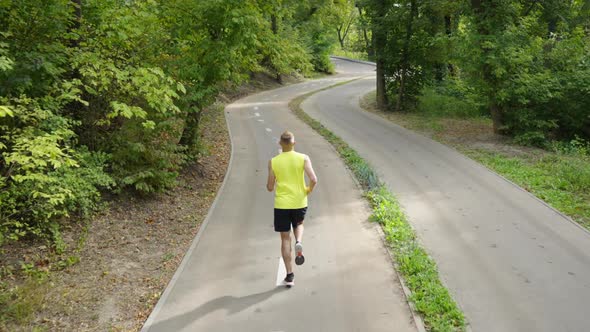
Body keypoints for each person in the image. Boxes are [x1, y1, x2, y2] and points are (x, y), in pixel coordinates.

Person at [267, 131, 317, 287]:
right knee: (299, 224)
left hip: (282, 205)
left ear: (280, 144)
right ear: (294, 143)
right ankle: (299, 241)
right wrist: (308, 190)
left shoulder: (273, 161)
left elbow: (269, 187)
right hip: (299, 201)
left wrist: (273, 184)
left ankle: (289, 275)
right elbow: (314, 179)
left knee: (284, 239)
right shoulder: (303, 158)